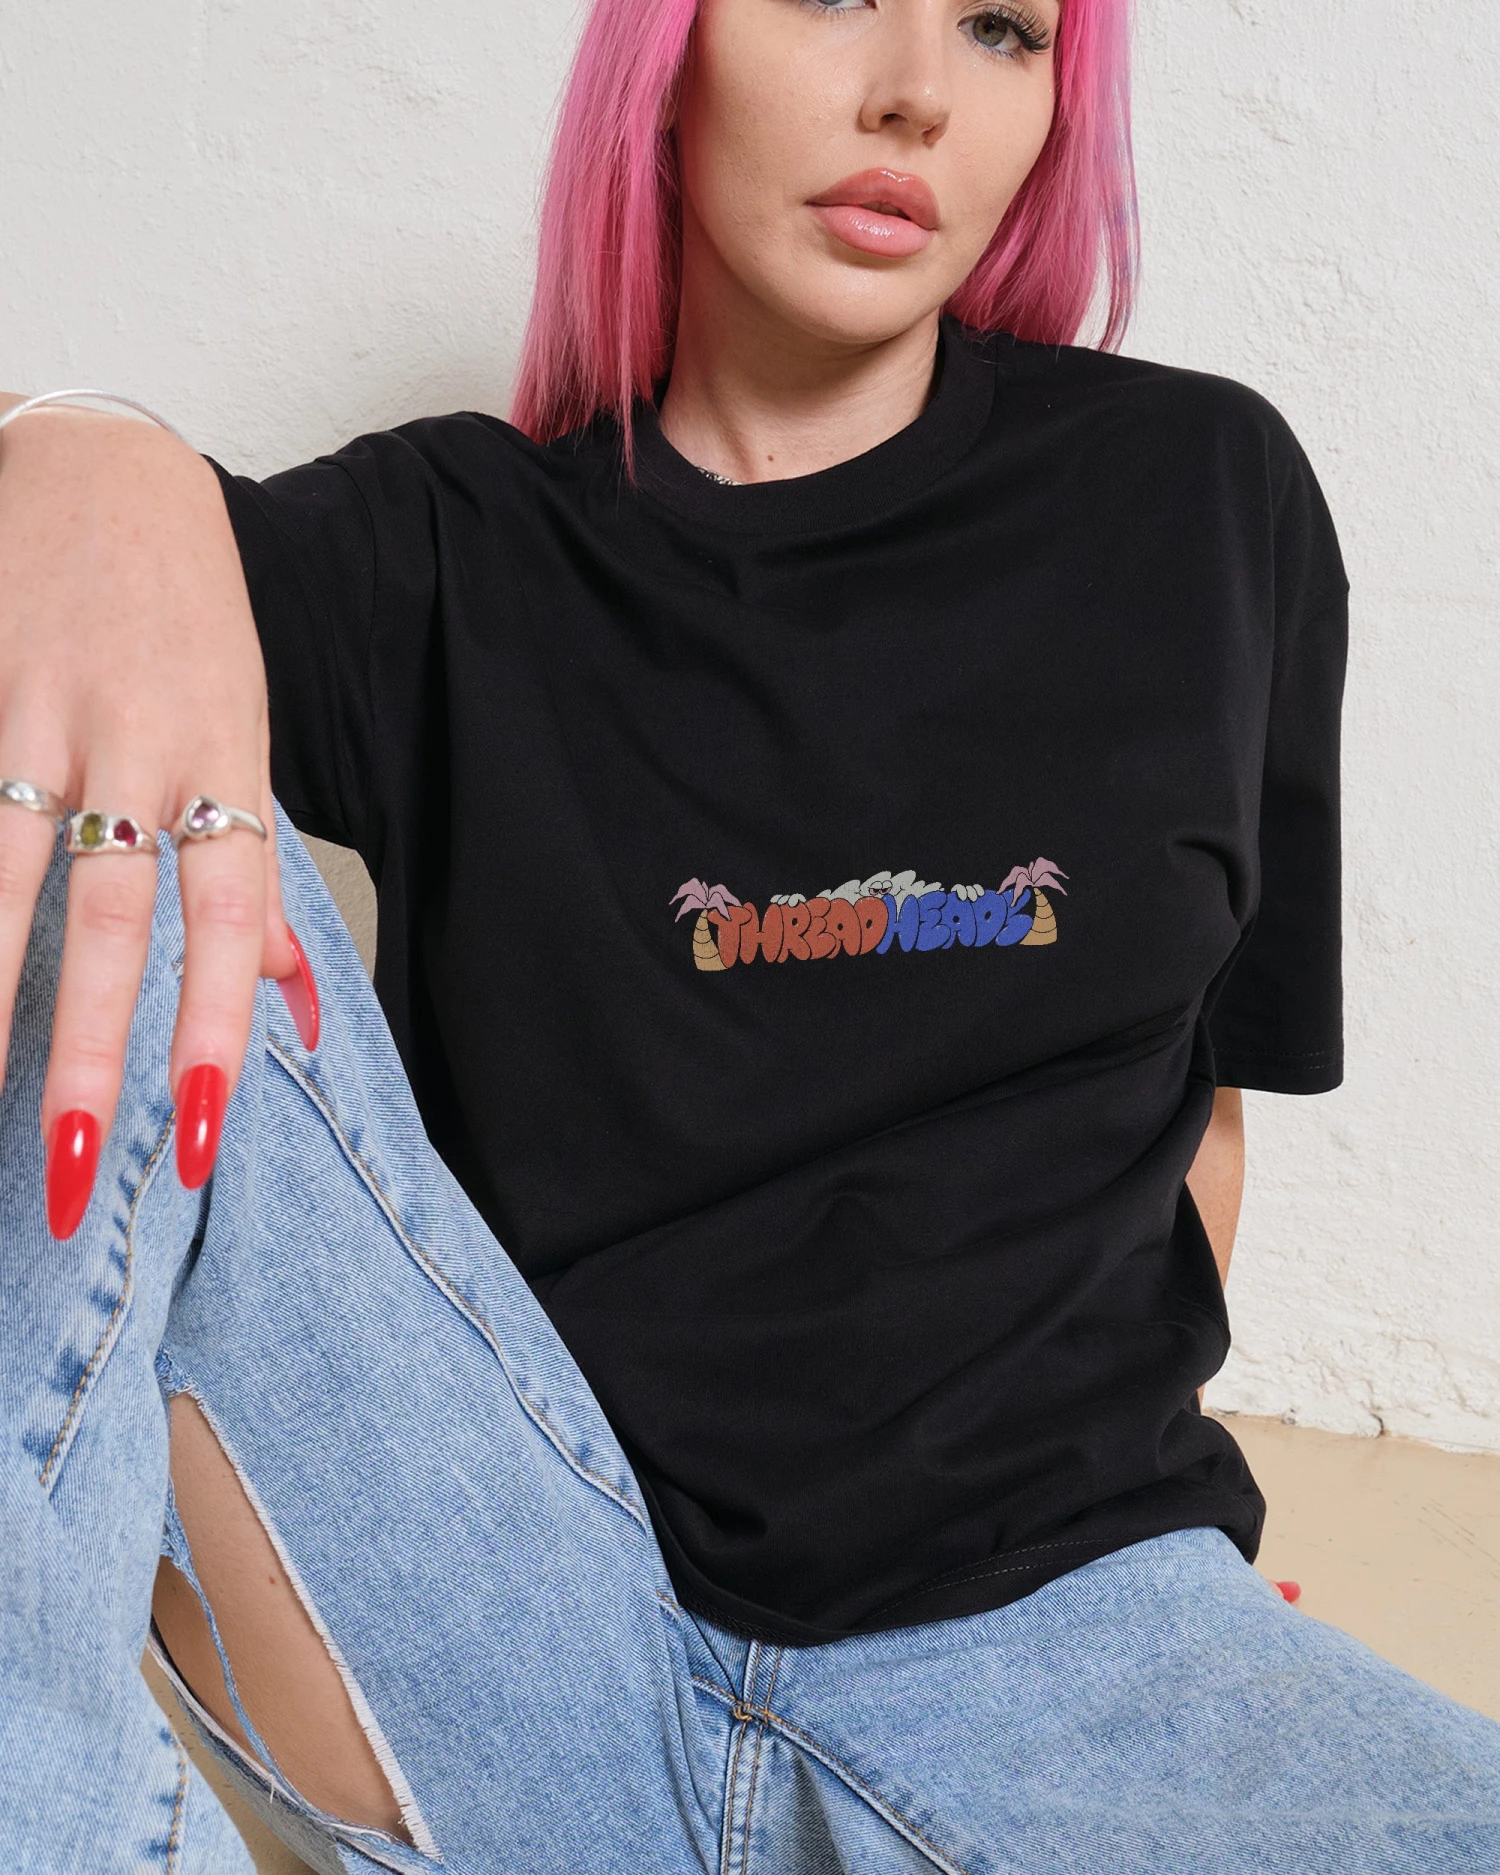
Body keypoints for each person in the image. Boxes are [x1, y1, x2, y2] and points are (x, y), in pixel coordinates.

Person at [1, 0, 1498, 1867]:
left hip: (1062, 1658)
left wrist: (1160, 1596)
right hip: (513, 1615)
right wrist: (73, 448)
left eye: (1004, 28)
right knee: (89, 790)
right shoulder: (449, 547)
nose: (916, 94)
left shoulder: (1202, 500)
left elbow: (1203, 1121)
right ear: (671, 48)